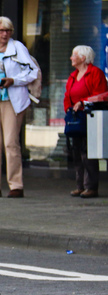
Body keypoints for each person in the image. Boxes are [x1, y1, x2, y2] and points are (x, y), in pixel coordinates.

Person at [0, 17, 39, 199]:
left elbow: (32, 71)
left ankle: (16, 185)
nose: (5, 34)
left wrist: (14, 80)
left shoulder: (18, 47)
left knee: (11, 142)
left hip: (12, 100)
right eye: (1, 30)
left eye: (8, 31)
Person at [64, 45, 108, 199]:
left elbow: (102, 95)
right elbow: (67, 96)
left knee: (88, 153)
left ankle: (90, 187)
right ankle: (80, 185)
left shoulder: (95, 73)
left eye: (73, 55)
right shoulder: (73, 76)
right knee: (76, 153)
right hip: (75, 119)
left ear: (82, 58)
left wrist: (83, 102)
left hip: (90, 117)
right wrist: (68, 111)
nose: (71, 58)